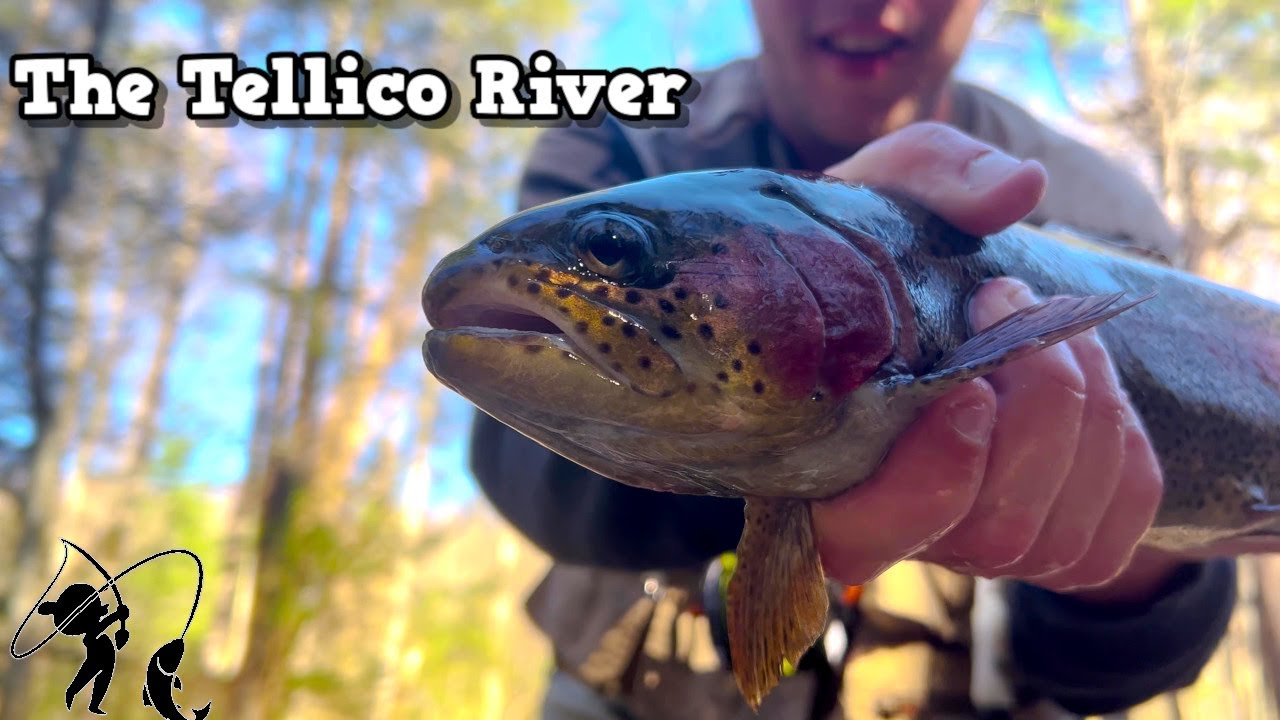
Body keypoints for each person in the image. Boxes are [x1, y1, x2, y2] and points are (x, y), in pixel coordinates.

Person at [468, 1, 1239, 718]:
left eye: (612, 251)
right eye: (612, 249)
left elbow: (1145, 658)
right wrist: (787, 450)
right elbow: (516, 456)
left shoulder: (1105, 215)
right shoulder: (626, 133)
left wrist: (1124, 574)